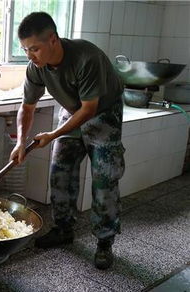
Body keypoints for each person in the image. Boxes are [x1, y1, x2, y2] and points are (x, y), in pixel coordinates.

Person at [10, 12, 125, 270]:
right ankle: (63, 228)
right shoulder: (36, 68)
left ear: (53, 40)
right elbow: (27, 106)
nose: (30, 55)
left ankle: (105, 242)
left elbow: (89, 110)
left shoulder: (86, 58)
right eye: (26, 50)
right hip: (73, 109)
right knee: (60, 170)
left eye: (35, 49)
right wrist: (20, 142)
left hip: (102, 111)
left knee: (104, 178)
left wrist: (52, 135)